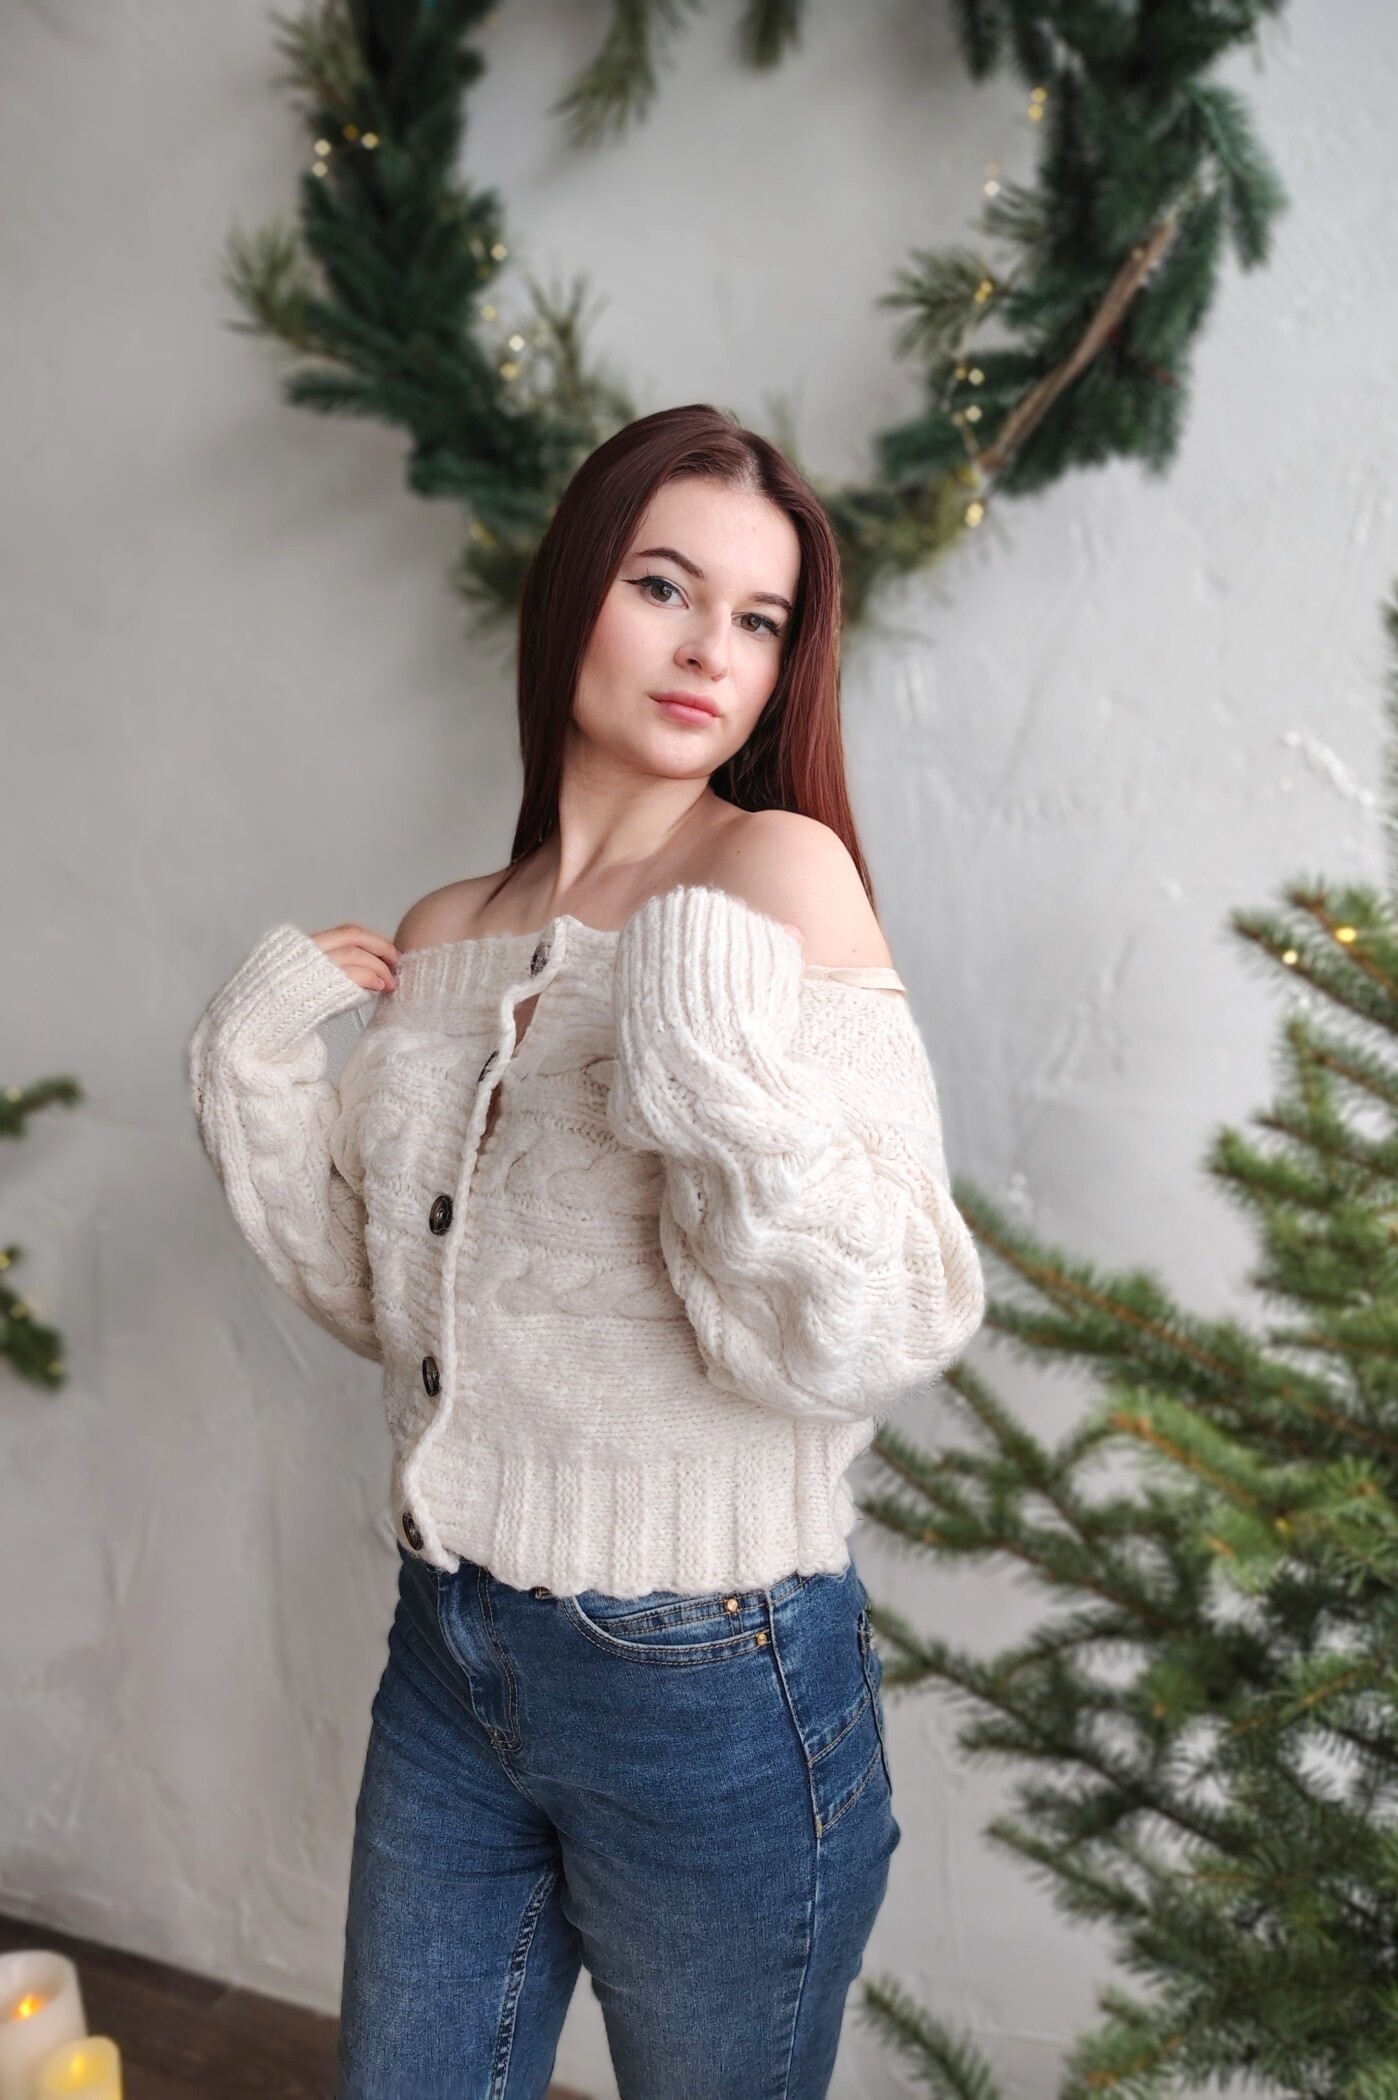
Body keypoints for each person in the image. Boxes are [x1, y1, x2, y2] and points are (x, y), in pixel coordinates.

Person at [187, 402, 986, 2099]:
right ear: (573, 595)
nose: (710, 651)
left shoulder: (778, 873)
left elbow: (878, 1324)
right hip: (451, 1645)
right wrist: (251, 1073)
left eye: (758, 620)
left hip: (710, 1681)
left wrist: (708, 1069)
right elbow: (393, 1303)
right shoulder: (447, 930)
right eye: (664, 587)